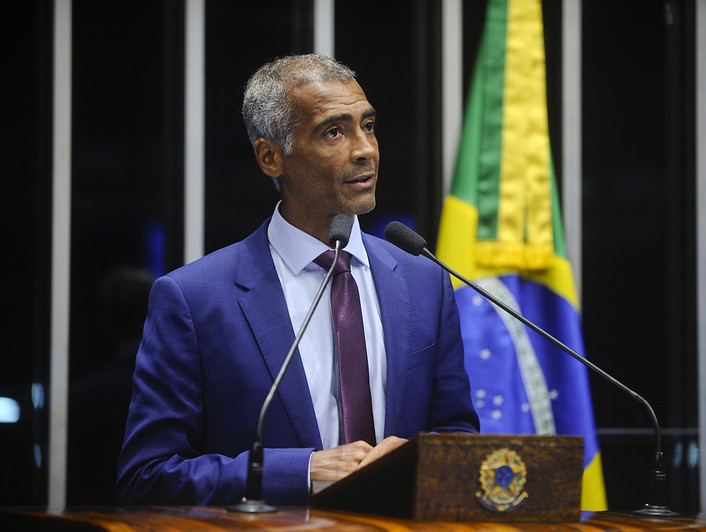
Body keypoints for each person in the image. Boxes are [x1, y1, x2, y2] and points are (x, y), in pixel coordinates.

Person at [116, 53, 478, 506]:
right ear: (271, 157)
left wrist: (418, 460)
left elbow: (458, 436)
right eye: (334, 132)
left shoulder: (423, 280)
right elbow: (146, 477)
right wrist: (300, 471)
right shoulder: (194, 299)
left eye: (368, 126)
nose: (365, 149)